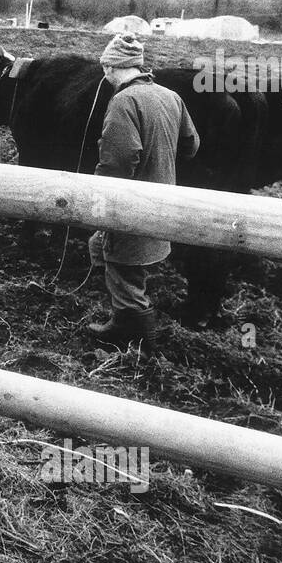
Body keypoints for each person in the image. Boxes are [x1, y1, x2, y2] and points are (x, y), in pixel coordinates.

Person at [85, 33, 199, 352]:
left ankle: (140, 340)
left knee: (120, 256)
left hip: (131, 202)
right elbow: (191, 145)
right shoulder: (170, 96)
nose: (104, 75)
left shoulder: (123, 101)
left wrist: (101, 199)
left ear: (111, 67)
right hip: (163, 200)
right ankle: (124, 315)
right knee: (101, 247)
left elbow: (119, 161)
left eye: (105, 69)